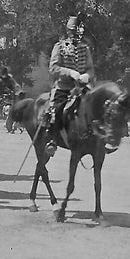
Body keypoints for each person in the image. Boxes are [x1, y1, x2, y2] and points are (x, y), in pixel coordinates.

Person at [44, 13, 94, 157]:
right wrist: (70, 72)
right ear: (68, 31)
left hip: (82, 88)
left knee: (97, 106)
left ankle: (99, 140)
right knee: (57, 110)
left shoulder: (85, 48)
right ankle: (52, 141)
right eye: (72, 32)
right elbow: (53, 68)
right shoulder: (59, 47)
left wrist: (87, 75)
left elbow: (91, 69)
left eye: (77, 32)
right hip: (64, 88)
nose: (75, 35)